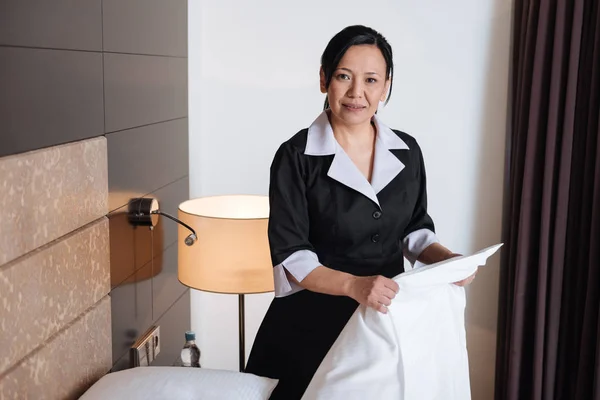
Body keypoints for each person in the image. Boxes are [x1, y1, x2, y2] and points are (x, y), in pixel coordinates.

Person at [244, 25, 476, 400]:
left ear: (386, 86)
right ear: (324, 79)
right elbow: (293, 257)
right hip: (310, 327)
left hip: (384, 319)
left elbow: (415, 229)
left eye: (371, 80)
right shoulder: (295, 157)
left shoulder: (407, 151)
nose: (357, 93)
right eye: (343, 76)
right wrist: (355, 285)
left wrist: (446, 260)